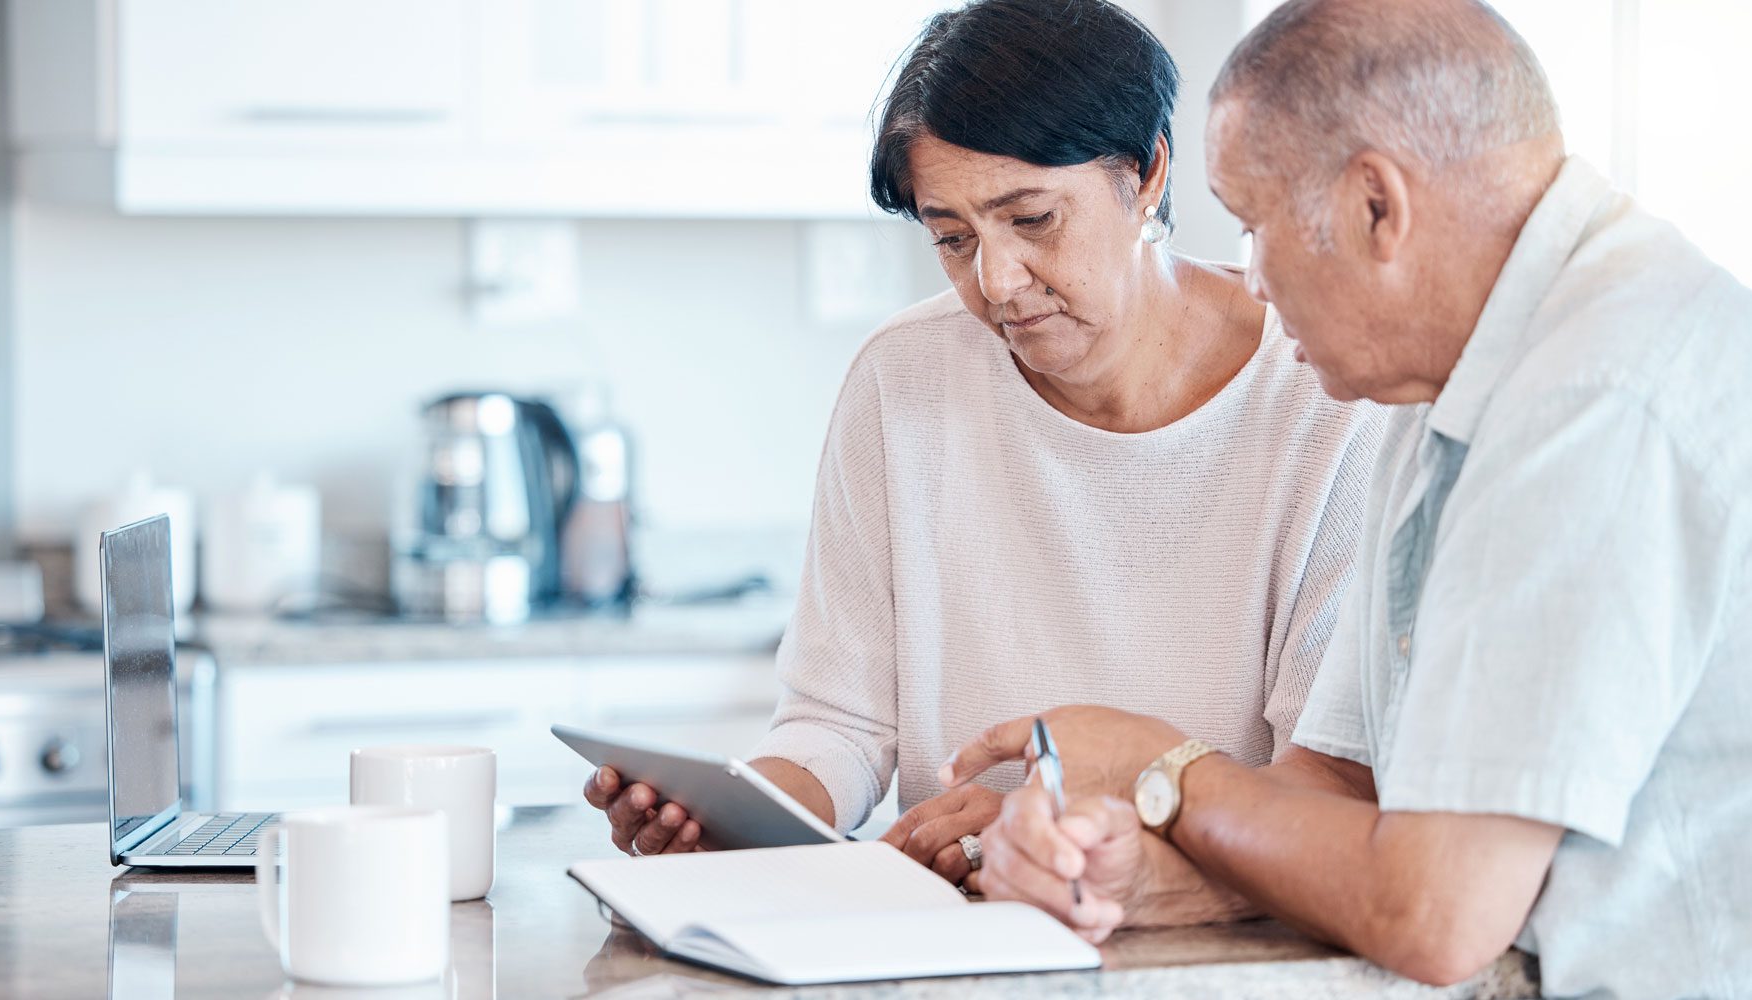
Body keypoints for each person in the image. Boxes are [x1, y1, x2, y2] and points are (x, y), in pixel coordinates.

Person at [945, 0, 1752, 995]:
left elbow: (1435, 910)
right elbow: (1343, 784)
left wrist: (1159, 766)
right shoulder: (1445, 372)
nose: (1250, 276)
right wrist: (1150, 870)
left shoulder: (1593, 399)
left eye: (1253, 223)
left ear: (1377, 206)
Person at [583, 0, 1382, 892]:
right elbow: (838, 725)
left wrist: (1067, 836)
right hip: (942, 941)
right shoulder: (903, 381)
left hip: (1199, 943)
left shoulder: (1329, 397)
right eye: (953, 239)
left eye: (1033, 219)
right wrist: (736, 815)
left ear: (1146, 172)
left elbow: (1326, 795)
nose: (997, 283)